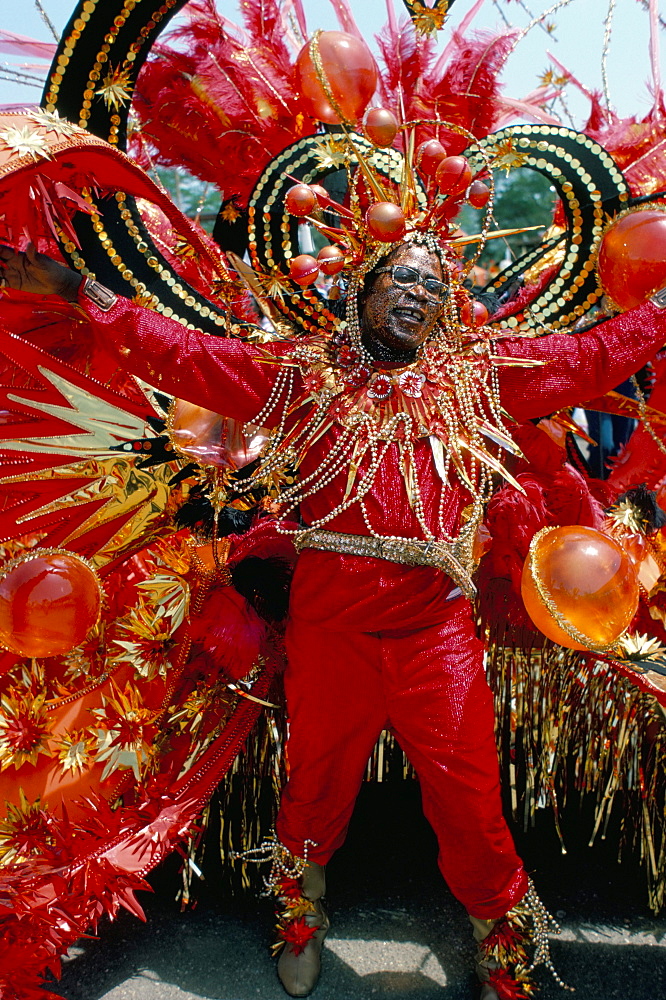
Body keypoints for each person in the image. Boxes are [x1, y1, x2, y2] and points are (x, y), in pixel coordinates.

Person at [2, 239, 666, 1000]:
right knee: (313, 784)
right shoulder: (303, 377)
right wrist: (81, 288)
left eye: (433, 284)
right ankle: (300, 909)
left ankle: (500, 931)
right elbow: (181, 355)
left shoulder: (478, 378)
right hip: (331, 630)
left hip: (434, 634)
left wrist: (660, 311)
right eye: (402, 277)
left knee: (471, 795)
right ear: (363, 289)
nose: (418, 292)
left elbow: (590, 357)